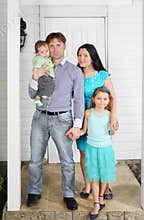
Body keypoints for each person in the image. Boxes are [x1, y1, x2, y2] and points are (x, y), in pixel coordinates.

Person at [26, 32, 84, 210]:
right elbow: (31, 94)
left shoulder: (74, 71)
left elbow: (79, 99)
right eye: (51, 45)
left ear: (65, 46)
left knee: (67, 160)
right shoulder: (41, 65)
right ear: (47, 48)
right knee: (35, 159)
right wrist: (36, 77)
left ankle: (68, 194)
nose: (54, 48)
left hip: (62, 119)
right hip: (40, 117)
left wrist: (77, 125)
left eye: (58, 44)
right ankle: (34, 191)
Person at [76, 43, 118, 199]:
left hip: (100, 119)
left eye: (85, 55)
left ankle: (104, 187)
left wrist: (113, 116)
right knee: (84, 153)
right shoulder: (76, 74)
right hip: (82, 118)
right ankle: (88, 184)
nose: (82, 58)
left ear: (93, 57)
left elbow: (112, 98)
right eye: (79, 55)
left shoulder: (102, 75)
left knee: (100, 154)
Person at [80, 86, 116, 220]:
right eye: (99, 98)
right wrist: (77, 132)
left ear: (108, 101)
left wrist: (114, 129)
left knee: (104, 176)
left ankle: (101, 197)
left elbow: (111, 132)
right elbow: (84, 130)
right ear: (94, 99)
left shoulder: (109, 114)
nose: (102, 101)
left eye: (105, 99)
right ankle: (96, 204)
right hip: (91, 148)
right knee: (94, 177)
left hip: (105, 148)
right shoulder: (88, 113)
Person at [32, 40, 55, 107]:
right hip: (43, 77)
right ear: (37, 53)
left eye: (46, 51)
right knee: (43, 87)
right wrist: (36, 76)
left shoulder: (48, 58)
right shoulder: (39, 59)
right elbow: (36, 68)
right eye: (42, 52)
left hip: (48, 76)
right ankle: (38, 98)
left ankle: (44, 94)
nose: (45, 53)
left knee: (49, 86)